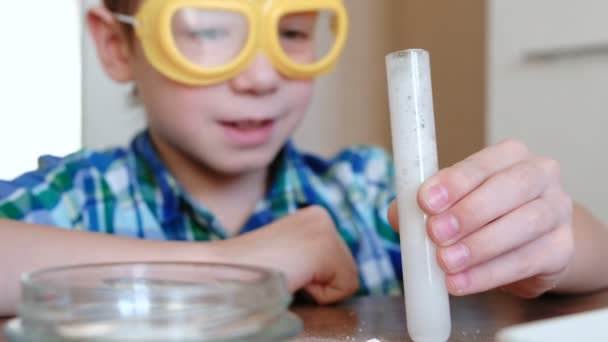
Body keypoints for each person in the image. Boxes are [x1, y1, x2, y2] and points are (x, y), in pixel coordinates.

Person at [1, 0, 607, 317]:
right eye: (211, 30)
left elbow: (597, 259)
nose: (262, 76)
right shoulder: (78, 200)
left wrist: (548, 239)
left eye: (291, 31)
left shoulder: (369, 190)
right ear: (117, 44)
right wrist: (228, 265)